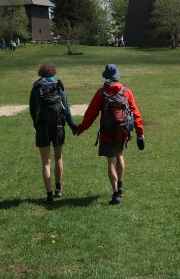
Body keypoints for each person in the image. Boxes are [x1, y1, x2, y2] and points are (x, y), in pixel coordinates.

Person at [77, 64, 145, 205]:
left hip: (107, 133)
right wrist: (140, 134)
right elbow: (136, 113)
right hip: (122, 131)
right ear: (117, 76)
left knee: (111, 162)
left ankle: (115, 194)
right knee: (119, 155)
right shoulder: (127, 91)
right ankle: (120, 186)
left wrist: (81, 128)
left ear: (106, 77)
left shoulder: (101, 93)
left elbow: (91, 115)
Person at [29, 63, 79, 204]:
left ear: (40, 74)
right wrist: (73, 127)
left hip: (42, 128)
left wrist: (37, 125)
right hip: (58, 127)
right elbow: (66, 110)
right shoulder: (58, 87)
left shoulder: (36, 88)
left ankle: (49, 195)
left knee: (46, 162)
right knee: (58, 158)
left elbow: (32, 110)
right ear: (53, 73)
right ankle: (58, 189)